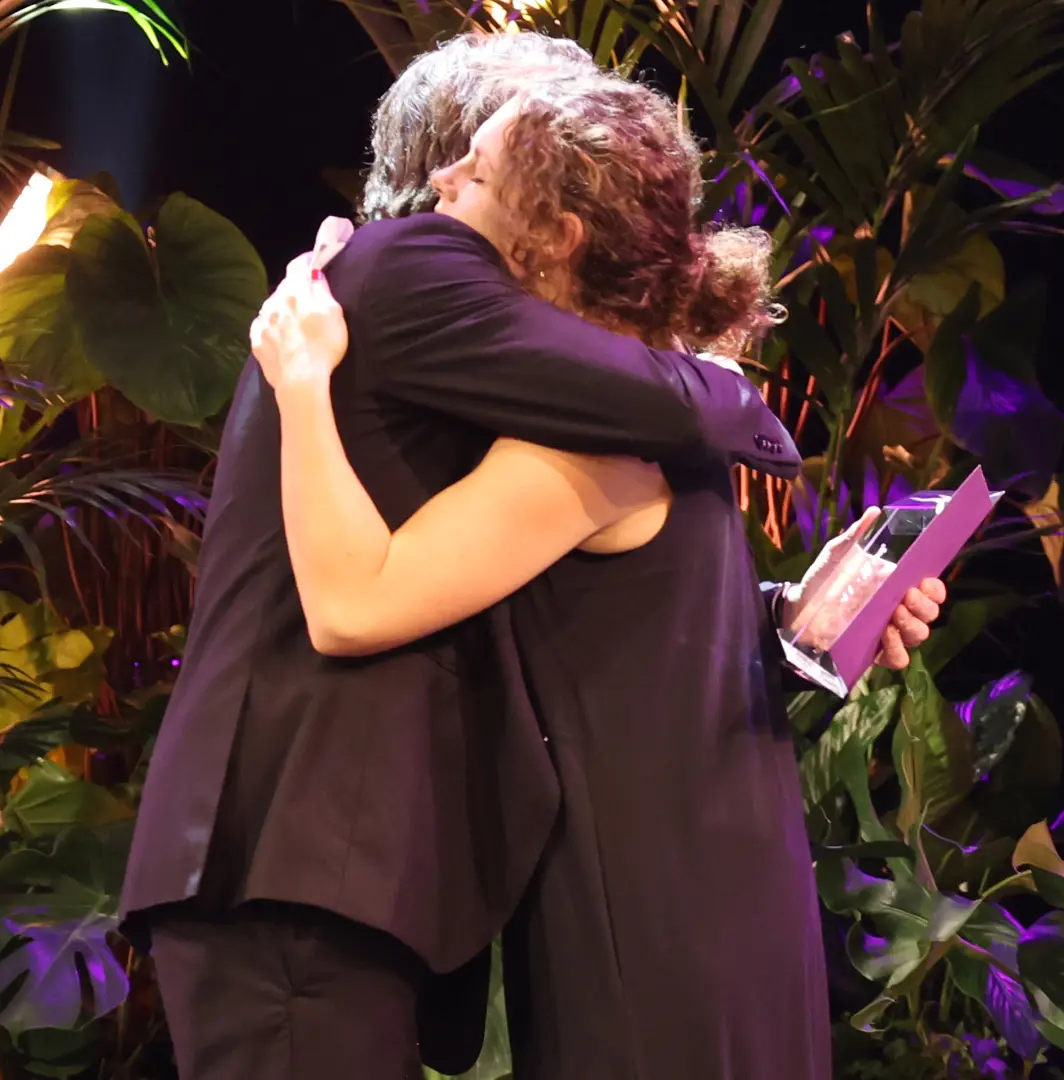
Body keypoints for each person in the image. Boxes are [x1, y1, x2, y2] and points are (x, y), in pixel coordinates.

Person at [118, 32, 812, 1080]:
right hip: (289, 855)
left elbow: (590, 592)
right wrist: (733, 390)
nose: (456, 179)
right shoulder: (414, 265)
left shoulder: (430, 313)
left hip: (327, 868)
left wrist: (785, 611)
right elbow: (645, 403)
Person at [251, 76, 945, 1079]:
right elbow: (653, 630)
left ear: (560, 235)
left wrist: (303, 385)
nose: (442, 182)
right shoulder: (655, 401)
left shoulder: (585, 442)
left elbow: (354, 604)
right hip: (734, 896)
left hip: (647, 916)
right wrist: (796, 615)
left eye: (476, 171)